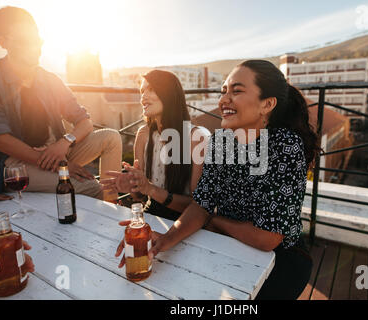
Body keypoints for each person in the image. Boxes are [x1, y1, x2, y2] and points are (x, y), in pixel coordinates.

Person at [116, 60, 320, 300]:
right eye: (223, 91)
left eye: (237, 91)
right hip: (225, 244)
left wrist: (214, 221)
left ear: (267, 104)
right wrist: (163, 241)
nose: (224, 100)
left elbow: (267, 238)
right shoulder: (220, 142)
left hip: (281, 260)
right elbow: (201, 205)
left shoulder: (284, 146)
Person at [0, 6, 122, 201]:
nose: (35, 47)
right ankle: (112, 218)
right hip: (13, 162)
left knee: (111, 138)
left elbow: (84, 122)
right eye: (25, 41)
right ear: (2, 42)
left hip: (56, 152)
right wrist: (58, 164)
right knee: (91, 187)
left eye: (37, 40)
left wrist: (64, 143)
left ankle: (114, 212)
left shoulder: (49, 79)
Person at [101, 70, 210, 220]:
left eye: (151, 89)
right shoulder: (143, 135)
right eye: (142, 91)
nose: (143, 97)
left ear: (169, 94)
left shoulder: (197, 138)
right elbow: (140, 196)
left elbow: (199, 206)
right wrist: (133, 187)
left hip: (187, 221)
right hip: (152, 214)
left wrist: (151, 189)